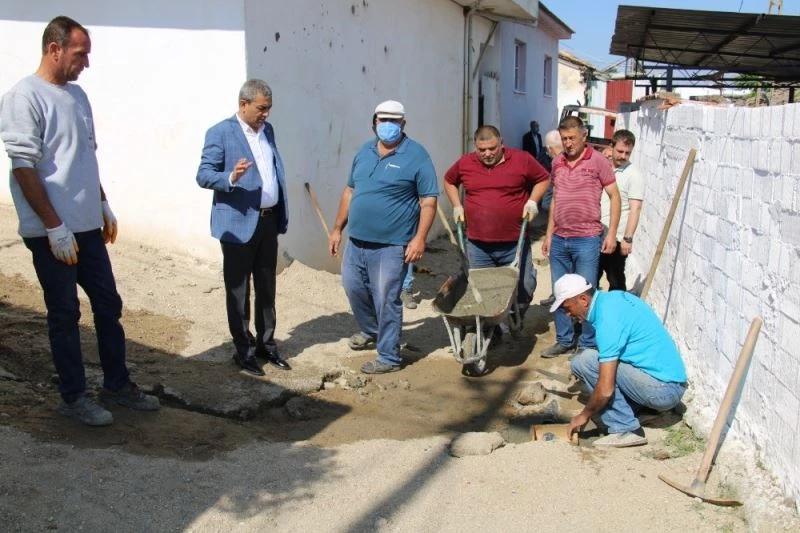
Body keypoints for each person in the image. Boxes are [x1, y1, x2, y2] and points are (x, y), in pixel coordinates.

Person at [0, 16, 159, 426]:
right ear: (54, 49)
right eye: (80, 53)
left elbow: (85, 156)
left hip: (86, 228)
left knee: (108, 304)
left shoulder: (78, 96)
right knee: (64, 314)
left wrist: (102, 204)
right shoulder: (24, 97)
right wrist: (54, 226)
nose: (86, 62)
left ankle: (117, 385)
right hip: (53, 233)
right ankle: (73, 396)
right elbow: (24, 168)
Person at [329, 100, 438, 374]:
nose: (387, 125)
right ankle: (372, 330)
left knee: (386, 298)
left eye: (394, 120)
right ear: (373, 122)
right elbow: (349, 192)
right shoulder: (363, 152)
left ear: (403, 124)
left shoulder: (417, 155)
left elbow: (428, 201)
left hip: (392, 244)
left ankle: (389, 357)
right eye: (382, 120)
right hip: (357, 240)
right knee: (353, 288)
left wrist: (419, 238)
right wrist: (337, 228)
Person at [196, 79, 291, 377]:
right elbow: (203, 175)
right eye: (261, 109)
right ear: (243, 104)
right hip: (237, 224)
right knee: (238, 291)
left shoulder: (268, 131)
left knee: (267, 287)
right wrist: (231, 178)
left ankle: (267, 345)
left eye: (269, 109)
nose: (266, 115)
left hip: (268, 220)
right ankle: (244, 351)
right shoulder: (220, 132)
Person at [551, 274, 687, 447]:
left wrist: (583, 415)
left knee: (585, 361)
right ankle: (639, 408)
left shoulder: (608, 321)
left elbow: (606, 389)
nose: (568, 314)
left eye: (567, 307)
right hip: (666, 382)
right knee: (586, 362)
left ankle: (625, 429)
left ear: (583, 299)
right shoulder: (612, 299)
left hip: (664, 390)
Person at [444, 125, 550, 328]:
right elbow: (449, 181)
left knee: (524, 285)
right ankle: (492, 329)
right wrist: (457, 205)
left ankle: (513, 314)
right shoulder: (466, 163)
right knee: (483, 290)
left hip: (514, 241)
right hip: (478, 244)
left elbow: (543, 178)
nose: (487, 154)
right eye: (481, 150)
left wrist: (533, 201)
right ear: (475, 146)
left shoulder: (522, 159)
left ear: (501, 142)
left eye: (492, 148)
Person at [541, 116, 621, 358]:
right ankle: (564, 340)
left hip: (587, 239)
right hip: (560, 239)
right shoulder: (557, 163)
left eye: (572, 138)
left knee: (586, 293)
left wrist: (613, 234)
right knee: (560, 291)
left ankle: (587, 343)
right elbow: (555, 199)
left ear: (584, 136)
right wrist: (548, 234)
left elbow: (615, 197)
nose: (568, 143)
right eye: (564, 139)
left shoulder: (598, 162)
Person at [599, 130, 645, 291]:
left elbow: (635, 208)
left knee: (615, 280)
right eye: (620, 151)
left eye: (628, 153)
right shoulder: (602, 167)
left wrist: (628, 238)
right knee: (590, 280)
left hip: (617, 238)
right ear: (611, 146)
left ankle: (619, 312)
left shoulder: (634, 175)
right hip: (596, 234)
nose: (623, 156)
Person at [537, 130, 563, 308]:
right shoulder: (546, 163)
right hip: (557, 225)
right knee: (558, 265)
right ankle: (557, 295)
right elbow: (547, 201)